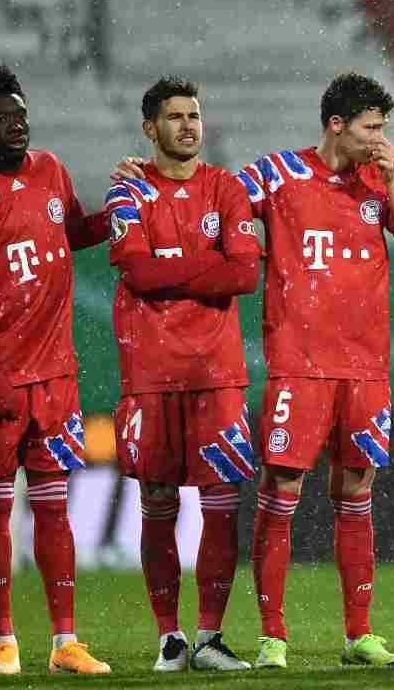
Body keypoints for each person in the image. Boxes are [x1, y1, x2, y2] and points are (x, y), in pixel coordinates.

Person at [240, 72, 394, 668]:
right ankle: (273, 634)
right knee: (282, 491)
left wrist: (393, 180)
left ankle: (359, 634)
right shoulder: (275, 175)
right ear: (336, 125)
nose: (380, 138)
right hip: (299, 364)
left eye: (384, 128)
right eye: (371, 127)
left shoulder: (380, 181)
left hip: (366, 367)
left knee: (357, 492)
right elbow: (210, 204)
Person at [0, 65, 111, 674]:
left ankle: (65, 644)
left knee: (55, 506)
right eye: (1, 118)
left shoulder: (52, 169)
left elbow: (74, 232)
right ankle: (3, 640)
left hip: (55, 373)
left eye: (20, 113)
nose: (16, 125)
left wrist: (121, 211)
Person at [106, 77, 260, 672]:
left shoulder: (226, 186)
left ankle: (209, 637)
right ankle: (169, 636)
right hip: (149, 373)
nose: (187, 125)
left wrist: (169, 264)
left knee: (222, 503)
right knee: (159, 502)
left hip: (217, 374)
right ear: (150, 128)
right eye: (173, 117)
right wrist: (207, 264)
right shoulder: (127, 192)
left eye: (193, 114)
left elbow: (245, 274)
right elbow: (139, 276)